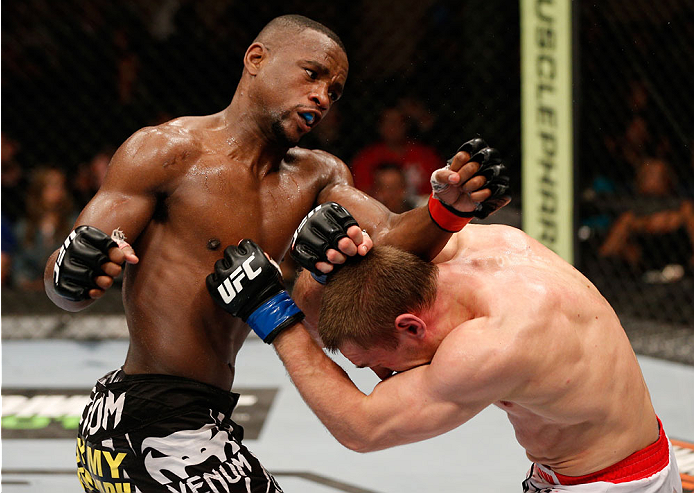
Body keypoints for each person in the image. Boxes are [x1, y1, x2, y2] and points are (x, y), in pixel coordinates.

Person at [43, 14, 509, 493]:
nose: (323, 97)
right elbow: (71, 278)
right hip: (151, 417)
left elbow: (389, 234)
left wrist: (448, 208)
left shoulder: (318, 175)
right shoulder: (164, 151)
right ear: (256, 59)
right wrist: (71, 273)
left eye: (335, 90)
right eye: (313, 74)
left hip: (196, 417)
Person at [210, 223, 682, 492]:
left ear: (410, 326)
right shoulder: (486, 245)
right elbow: (380, 243)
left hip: (611, 485)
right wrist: (335, 241)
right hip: (604, 460)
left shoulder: (493, 346)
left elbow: (363, 427)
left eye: (381, 363)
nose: (384, 376)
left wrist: (269, 312)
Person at [350, 105, 443, 201]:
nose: (393, 127)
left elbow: (438, 194)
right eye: (388, 122)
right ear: (380, 126)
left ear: (406, 125)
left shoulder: (426, 155)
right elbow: (362, 196)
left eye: (398, 122)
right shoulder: (366, 158)